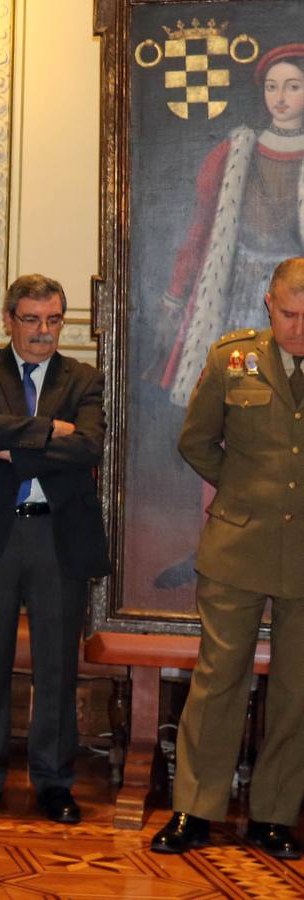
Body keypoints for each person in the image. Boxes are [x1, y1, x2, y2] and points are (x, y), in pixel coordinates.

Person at [0, 274, 108, 825]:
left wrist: (13, 441)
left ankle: (54, 781)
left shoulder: (83, 377)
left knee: (56, 666)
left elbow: (87, 446)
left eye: (54, 320)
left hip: (57, 537)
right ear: (9, 319)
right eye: (32, 319)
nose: (43, 332)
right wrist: (45, 432)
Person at [153, 257, 304, 860]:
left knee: (296, 690)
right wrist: (239, 493)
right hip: (238, 544)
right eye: (290, 314)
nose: (299, 327)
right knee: (218, 682)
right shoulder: (231, 358)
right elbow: (195, 440)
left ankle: (273, 815)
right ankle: (194, 810)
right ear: (268, 303)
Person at [158, 45, 304, 407]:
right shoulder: (238, 150)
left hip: (298, 294)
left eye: (292, 86)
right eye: (272, 87)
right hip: (240, 287)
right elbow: (200, 228)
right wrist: (175, 292)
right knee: (241, 391)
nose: (280, 98)